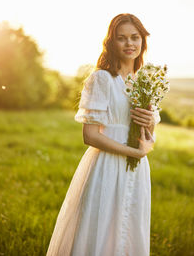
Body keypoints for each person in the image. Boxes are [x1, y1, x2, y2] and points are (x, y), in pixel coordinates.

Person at [46, 13, 161, 256]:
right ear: (111, 42)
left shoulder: (146, 81)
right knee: (101, 229)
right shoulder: (102, 79)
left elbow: (147, 137)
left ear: (143, 41)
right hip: (107, 166)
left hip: (138, 169)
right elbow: (90, 136)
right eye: (122, 38)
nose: (129, 44)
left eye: (135, 37)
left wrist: (150, 125)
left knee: (130, 229)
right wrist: (134, 152)